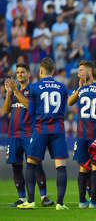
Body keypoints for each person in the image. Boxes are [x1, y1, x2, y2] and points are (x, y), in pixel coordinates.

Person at [17, 57, 69, 210]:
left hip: (40, 129)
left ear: (41, 71)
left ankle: (31, 201)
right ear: (53, 70)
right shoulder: (62, 87)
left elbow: (31, 111)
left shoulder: (34, 87)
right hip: (58, 130)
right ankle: (60, 203)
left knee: (31, 164)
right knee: (61, 166)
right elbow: (64, 111)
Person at [3, 63, 53, 208]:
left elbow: (30, 107)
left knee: (35, 164)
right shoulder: (14, 91)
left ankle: (44, 196)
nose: (19, 75)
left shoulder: (34, 89)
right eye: (17, 72)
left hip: (30, 133)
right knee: (16, 166)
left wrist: (16, 93)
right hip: (14, 134)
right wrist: (8, 93)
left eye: (22, 72)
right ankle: (22, 198)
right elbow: (6, 110)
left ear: (29, 74)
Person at [72, 63, 96, 209]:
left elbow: (70, 102)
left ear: (92, 75)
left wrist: (80, 88)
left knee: (82, 167)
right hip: (95, 133)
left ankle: (82, 201)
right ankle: (93, 201)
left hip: (81, 132)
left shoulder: (83, 90)